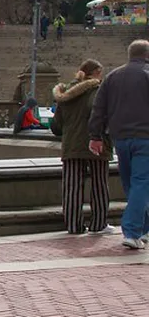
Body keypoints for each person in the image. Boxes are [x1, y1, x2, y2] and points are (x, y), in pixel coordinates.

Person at [88, 40, 149, 250]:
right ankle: (133, 232)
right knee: (141, 182)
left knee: (131, 183)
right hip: (145, 137)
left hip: (120, 138)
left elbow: (98, 107)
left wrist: (95, 135)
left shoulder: (113, 76)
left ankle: (144, 228)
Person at [54, 59, 112, 235]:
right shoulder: (97, 91)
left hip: (71, 145)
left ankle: (73, 225)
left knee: (71, 186)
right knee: (99, 184)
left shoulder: (65, 94)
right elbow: (99, 113)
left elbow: (56, 126)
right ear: (95, 73)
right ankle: (98, 224)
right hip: (96, 144)